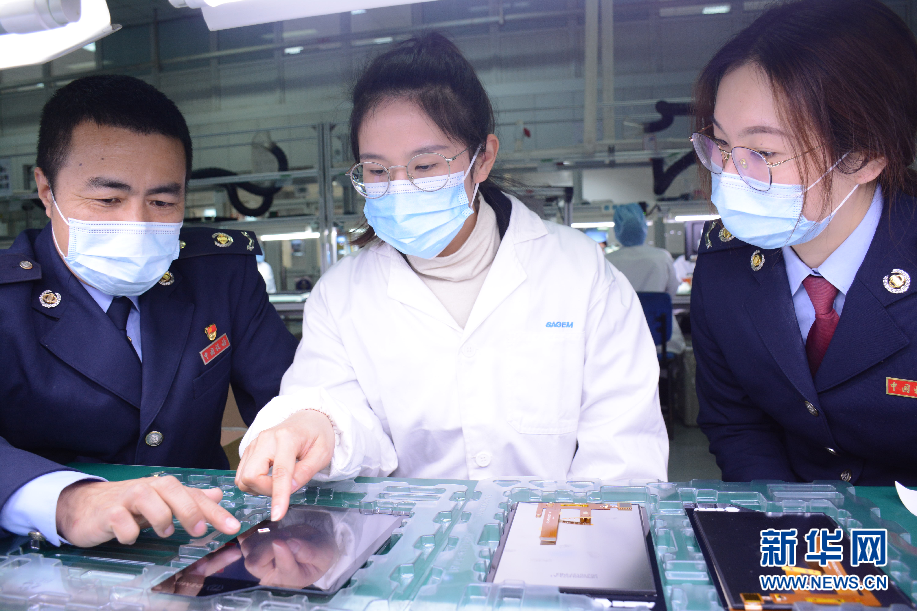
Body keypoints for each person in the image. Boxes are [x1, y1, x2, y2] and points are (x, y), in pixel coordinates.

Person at [235, 33, 669, 520]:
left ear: (482, 158)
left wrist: (564, 547)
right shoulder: (340, 296)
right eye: (376, 171)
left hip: (561, 544)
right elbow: (342, 417)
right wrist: (317, 424)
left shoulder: (580, 272)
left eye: (425, 165)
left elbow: (622, 452)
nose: (400, 189)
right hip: (405, 550)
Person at [0, 75, 299, 547]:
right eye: (107, 200)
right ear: (45, 190)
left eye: (162, 201)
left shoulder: (219, 275)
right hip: (45, 553)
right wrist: (65, 500)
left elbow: (289, 395)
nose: (136, 223)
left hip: (202, 540)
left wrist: (298, 431)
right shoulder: (8, 300)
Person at [690, 0, 917, 485]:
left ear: (865, 155)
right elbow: (738, 424)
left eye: (763, 151)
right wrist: (788, 520)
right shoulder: (724, 267)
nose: (730, 174)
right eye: (722, 144)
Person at [605, 203, 685, 354]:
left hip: (622, 344)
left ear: (617, 230)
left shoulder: (607, 261)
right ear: (643, 227)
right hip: (662, 342)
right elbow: (671, 293)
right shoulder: (662, 257)